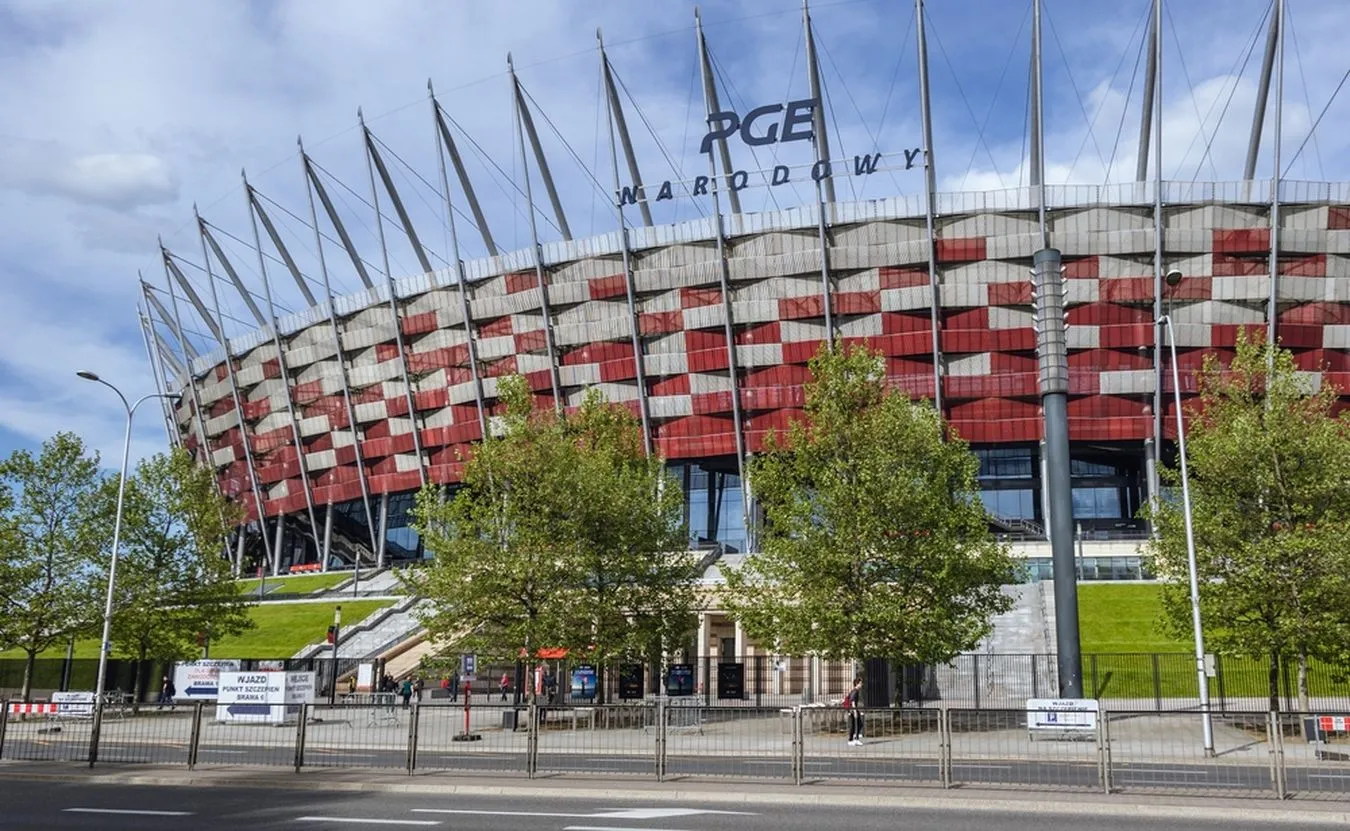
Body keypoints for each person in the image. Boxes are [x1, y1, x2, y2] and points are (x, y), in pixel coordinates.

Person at [845, 676, 864, 746]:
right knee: (856, 725)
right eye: (860, 683)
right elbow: (852, 701)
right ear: (857, 684)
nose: (861, 685)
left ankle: (855, 739)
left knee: (857, 724)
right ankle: (851, 740)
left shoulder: (855, 691)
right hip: (853, 710)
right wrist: (855, 711)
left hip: (853, 710)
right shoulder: (855, 691)